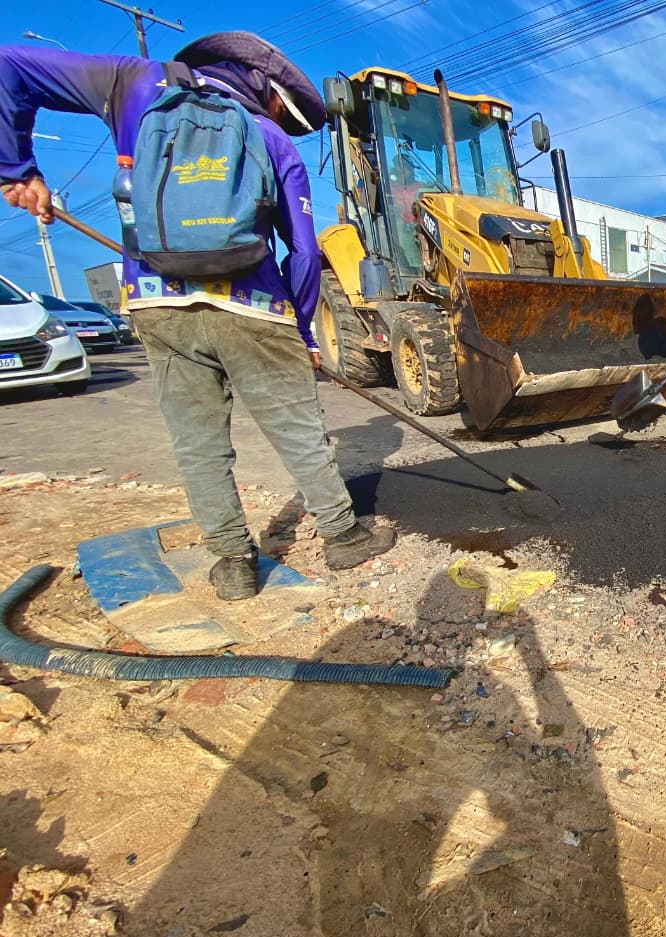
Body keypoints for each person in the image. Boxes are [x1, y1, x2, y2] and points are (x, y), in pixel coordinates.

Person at [0, 32, 396, 600]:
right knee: (299, 431)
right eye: (291, 116)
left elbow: (8, 63)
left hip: (159, 303)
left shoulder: (132, 84)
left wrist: (17, 169)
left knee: (199, 442)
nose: (289, 127)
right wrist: (301, 326)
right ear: (271, 94)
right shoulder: (271, 141)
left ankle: (234, 563)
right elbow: (305, 253)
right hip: (255, 306)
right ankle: (342, 535)